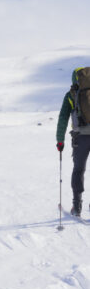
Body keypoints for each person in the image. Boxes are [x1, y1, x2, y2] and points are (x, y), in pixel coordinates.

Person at [56, 67, 90, 216]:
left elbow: (63, 118)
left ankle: (77, 207)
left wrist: (60, 140)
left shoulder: (70, 95)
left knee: (79, 170)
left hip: (79, 137)